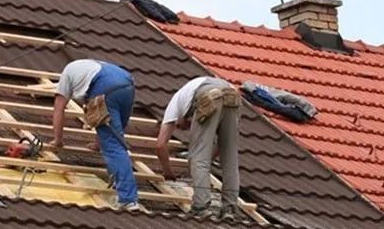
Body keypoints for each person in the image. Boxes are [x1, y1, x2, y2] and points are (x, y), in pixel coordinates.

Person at [50, 59, 139, 210]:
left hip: (105, 88)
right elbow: (100, 117)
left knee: (112, 145)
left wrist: (58, 140)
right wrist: (98, 143)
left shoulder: (66, 75)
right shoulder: (85, 66)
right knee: (116, 136)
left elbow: (59, 108)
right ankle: (117, 176)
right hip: (127, 84)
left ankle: (128, 199)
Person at [156, 77, 241, 219]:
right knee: (230, 158)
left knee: (198, 156)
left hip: (209, 96)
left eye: (179, 126)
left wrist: (168, 172)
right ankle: (230, 209)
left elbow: (160, 145)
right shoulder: (188, 95)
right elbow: (221, 146)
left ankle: (200, 207)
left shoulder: (174, 105)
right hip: (233, 96)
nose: (185, 127)